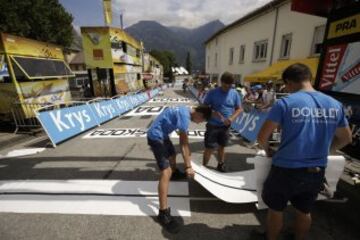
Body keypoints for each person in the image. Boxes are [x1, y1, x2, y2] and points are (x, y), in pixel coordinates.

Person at [257, 63, 352, 240]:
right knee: (304, 210)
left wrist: (268, 150)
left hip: (285, 168)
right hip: (316, 169)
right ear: (308, 79)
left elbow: (262, 137)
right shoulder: (334, 104)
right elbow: (346, 138)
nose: (286, 89)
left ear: (289, 82)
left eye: (285, 85)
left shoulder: (285, 103)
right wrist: (327, 149)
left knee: (276, 209)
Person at [147, 105, 212, 233]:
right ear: (199, 114)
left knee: (172, 154)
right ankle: (163, 213)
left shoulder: (185, 109)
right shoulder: (185, 117)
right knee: (166, 172)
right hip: (155, 137)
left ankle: (175, 172)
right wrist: (188, 166)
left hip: (163, 135)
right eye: (201, 121)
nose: (199, 123)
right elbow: (184, 144)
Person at [202, 72, 243, 172]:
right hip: (213, 125)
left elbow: (239, 109)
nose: (227, 88)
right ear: (221, 82)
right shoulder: (212, 92)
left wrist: (231, 118)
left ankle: (220, 164)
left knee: (222, 146)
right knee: (209, 148)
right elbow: (204, 107)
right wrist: (214, 112)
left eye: (230, 86)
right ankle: (203, 167)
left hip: (225, 127)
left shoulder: (234, 93)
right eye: (225, 85)